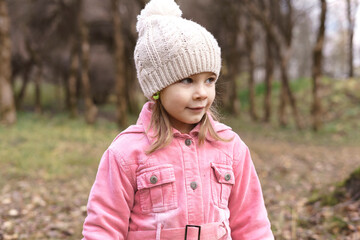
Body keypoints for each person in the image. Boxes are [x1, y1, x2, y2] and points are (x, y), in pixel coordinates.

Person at [82, 0, 274, 239]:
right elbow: (104, 229)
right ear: (158, 87)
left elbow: (252, 224)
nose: (202, 92)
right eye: (187, 80)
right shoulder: (126, 153)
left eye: (209, 80)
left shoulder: (231, 147)